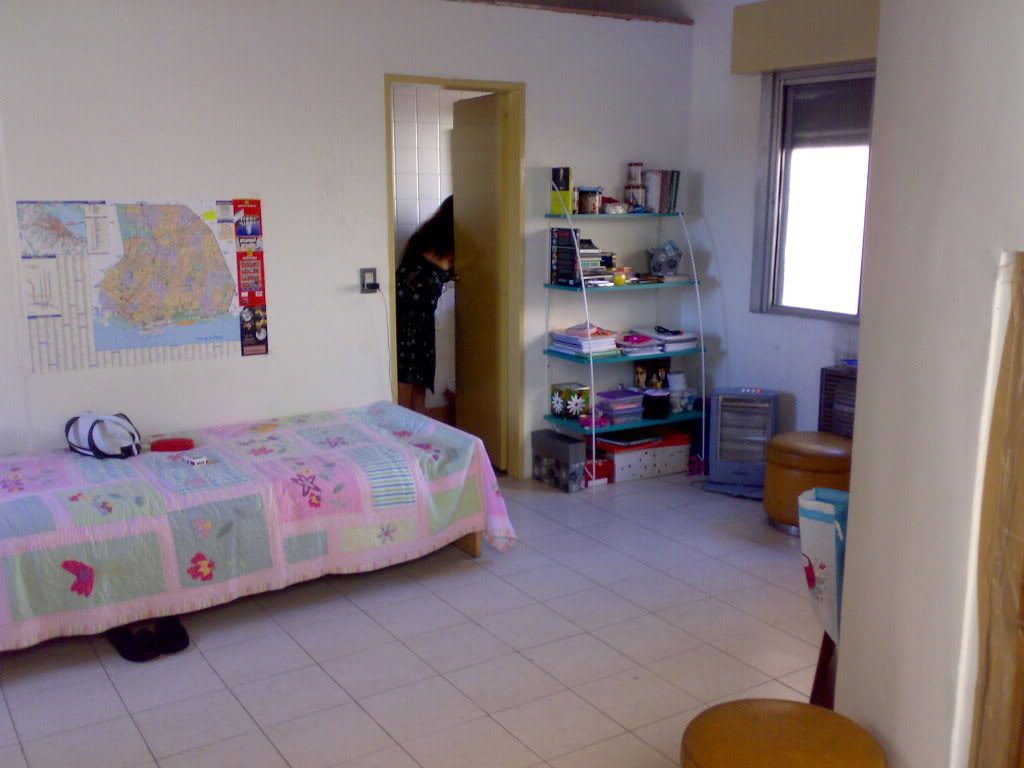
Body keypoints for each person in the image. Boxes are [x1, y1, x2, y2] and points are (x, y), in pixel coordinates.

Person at [396, 196, 454, 413]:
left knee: (414, 373)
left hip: (408, 311)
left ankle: (412, 422)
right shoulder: (446, 244)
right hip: (411, 314)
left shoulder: (424, 236)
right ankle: (407, 422)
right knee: (412, 374)